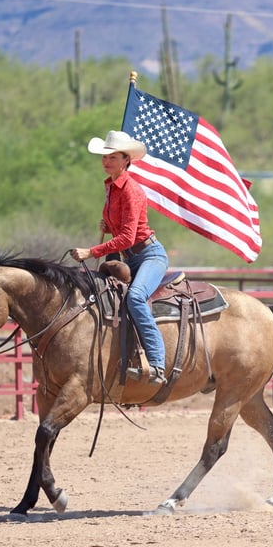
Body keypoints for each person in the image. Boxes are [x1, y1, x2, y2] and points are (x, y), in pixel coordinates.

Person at [70, 130, 169, 385]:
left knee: (135, 298)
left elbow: (127, 237)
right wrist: (108, 224)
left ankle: (157, 364)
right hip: (130, 257)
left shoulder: (131, 190)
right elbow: (123, 231)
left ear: (126, 160)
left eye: (112, 157)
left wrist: (92, 251)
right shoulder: (110, 188)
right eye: (105, 157)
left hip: (149, 255)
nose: (106, 161)